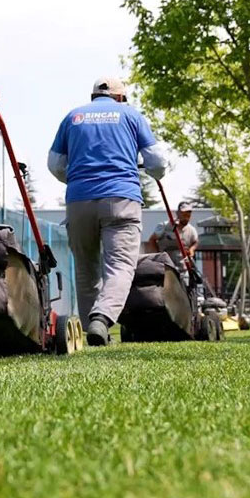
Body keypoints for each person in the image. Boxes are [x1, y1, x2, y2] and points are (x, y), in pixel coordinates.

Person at [48, 78, 167, 346]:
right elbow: (157, 161)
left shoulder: (73, 117)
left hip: (78, 200)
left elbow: (55, 163)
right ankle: (102, 319)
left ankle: (93, 330)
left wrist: (77, 179)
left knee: (85, 268)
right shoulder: (131, 115)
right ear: (120, 98)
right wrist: (156, 172)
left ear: (92, 97)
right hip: (121, 198)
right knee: (121, 265)